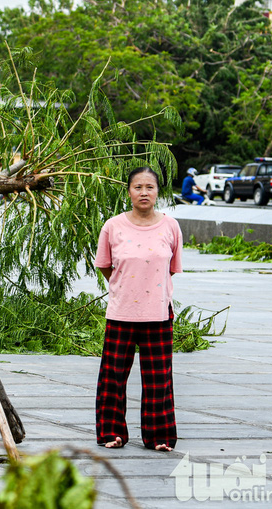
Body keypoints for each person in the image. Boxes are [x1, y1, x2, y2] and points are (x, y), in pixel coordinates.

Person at [95, 166, 182, 452]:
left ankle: (159, 437)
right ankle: (111, 432)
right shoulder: (113, 226)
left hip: (158, 313)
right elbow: (106, 266)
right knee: (113, 376)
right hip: (121, 312)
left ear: (158, 192)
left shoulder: (170, 226)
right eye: (137, 187)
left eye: (150, 187)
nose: (144, 192)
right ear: (128, 191)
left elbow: (170, 269)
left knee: (158, 378)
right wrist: (126, 288)